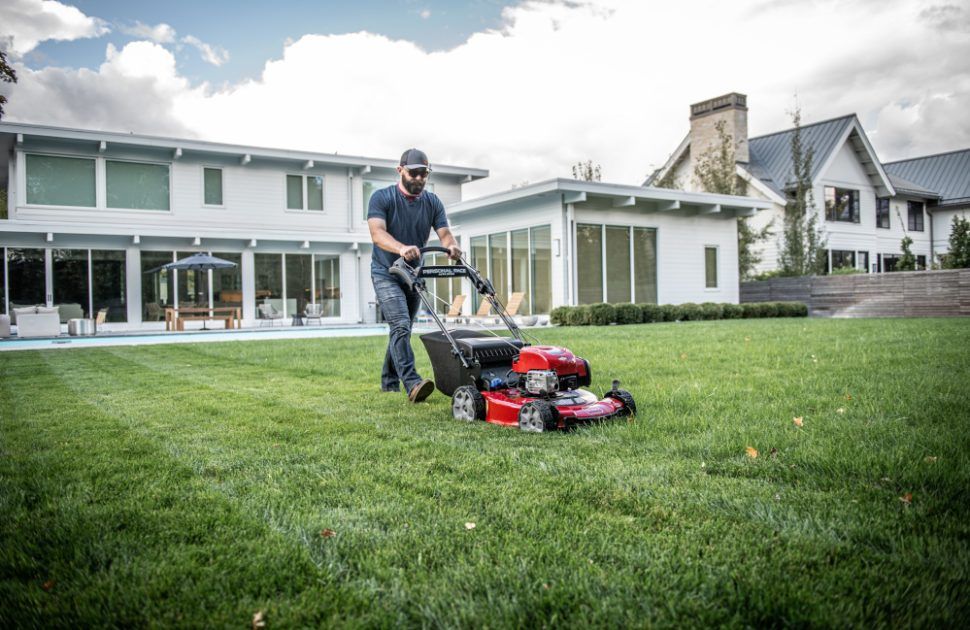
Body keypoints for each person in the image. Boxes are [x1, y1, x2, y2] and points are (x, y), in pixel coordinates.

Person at [367, 148, 461, 402]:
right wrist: (400, 248)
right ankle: (411, 382)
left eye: (425, 173)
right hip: (386, 272)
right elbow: (377, 234)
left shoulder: (432, 202)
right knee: (399, 324)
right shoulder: (381, 198)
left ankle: (388, 382)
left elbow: (444, 233)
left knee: (403, 328)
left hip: (414, 274)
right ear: (401, 170)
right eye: (415, 172)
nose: (420, 178)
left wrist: (451, 245)